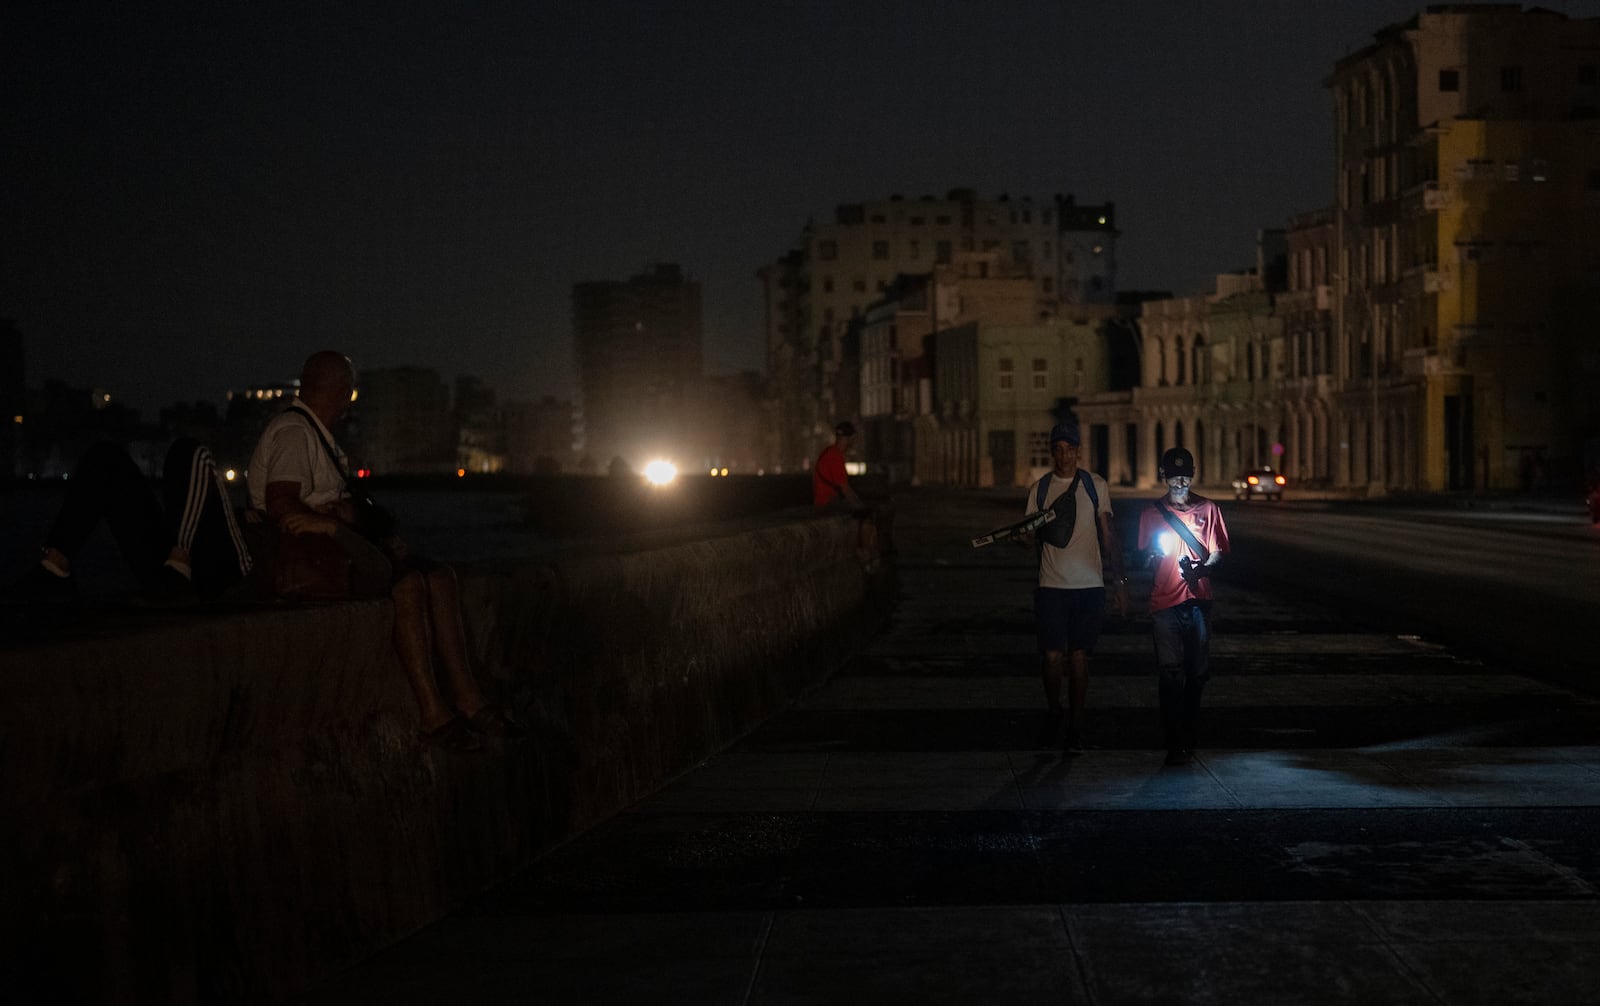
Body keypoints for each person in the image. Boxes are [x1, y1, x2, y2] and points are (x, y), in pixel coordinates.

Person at [249, 350, 521, 751]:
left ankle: (467, 698)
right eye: (350, 391)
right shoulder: (294, 432)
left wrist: (356, 524)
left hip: (340, 548)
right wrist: (333, 523)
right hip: (317, 560)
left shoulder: (315, 435)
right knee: (408, 584)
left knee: (440, 577)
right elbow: (281, 504)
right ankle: (433, 713)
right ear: (340, 392)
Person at [7, 438, 252, 604]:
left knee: (190, 452)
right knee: (105, 456)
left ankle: (180, 565)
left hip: (223, 572)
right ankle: (55, 566)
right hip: (168, 573)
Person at [1023, 422, 1126, 753]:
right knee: (1052, 657)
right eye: (1058, 449)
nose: (1064, 455)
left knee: (1079, 656)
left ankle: (1076, 724)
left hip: (1089, 585)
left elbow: (1108, 534)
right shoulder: (1040, 489)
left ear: (1078, 451)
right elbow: (1029, 538)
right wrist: (1025, 536)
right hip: (1051, 584)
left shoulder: (1095, 486)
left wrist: (1119, 582)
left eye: (1070, 449)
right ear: (1052, 451)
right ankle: (1055, 711)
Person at [1135, 447, 1231, 767]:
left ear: (1193, 475)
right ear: (1163, 475)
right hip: (1164, 602)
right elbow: (1143, 554)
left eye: (1185, 475)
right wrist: (1147, 558)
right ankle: (1174, 741)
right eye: (1174, 475)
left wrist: (1203, 569)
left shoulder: (1209, 509)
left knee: (1198, 674)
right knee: (1170, 673)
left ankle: (1189, 731)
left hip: (1199, 602)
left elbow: (1218, 552)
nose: (1180, 481)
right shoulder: (1151, 513)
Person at [812, 420, 880, 564]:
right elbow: (845, 489)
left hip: (825, 500)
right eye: (853, 439)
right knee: (867, 516)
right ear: (848, 439)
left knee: (863, 511)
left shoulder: (830, 452)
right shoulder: (835, 457)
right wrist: (860, 506)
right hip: (828, 502)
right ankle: (867, 555)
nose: (854, 443)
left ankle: (869, 554)